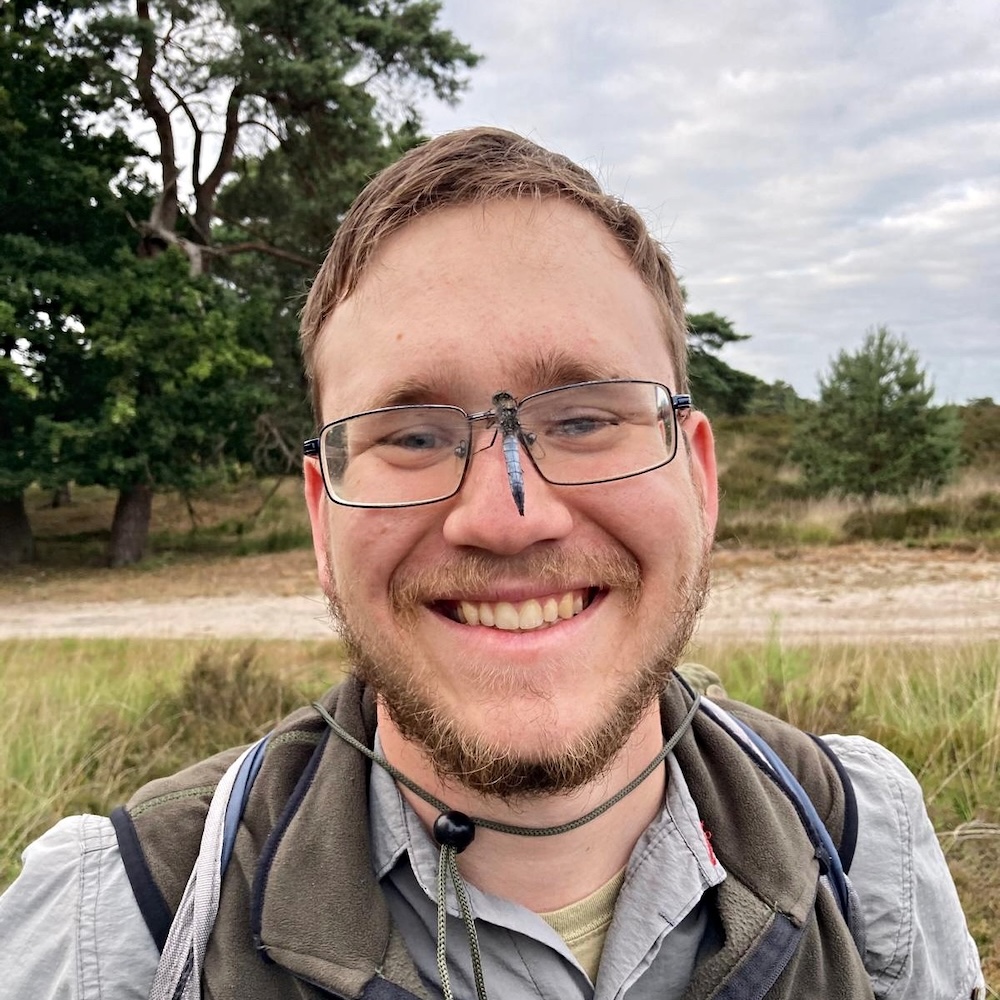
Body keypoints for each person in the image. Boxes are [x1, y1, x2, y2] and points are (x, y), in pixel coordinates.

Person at [0, 127, 985, 1000]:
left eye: (586, 419)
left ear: (698, 477)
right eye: (413, 437)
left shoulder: (864, 846)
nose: (506, 520)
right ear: (322, 519)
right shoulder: (114, 927)